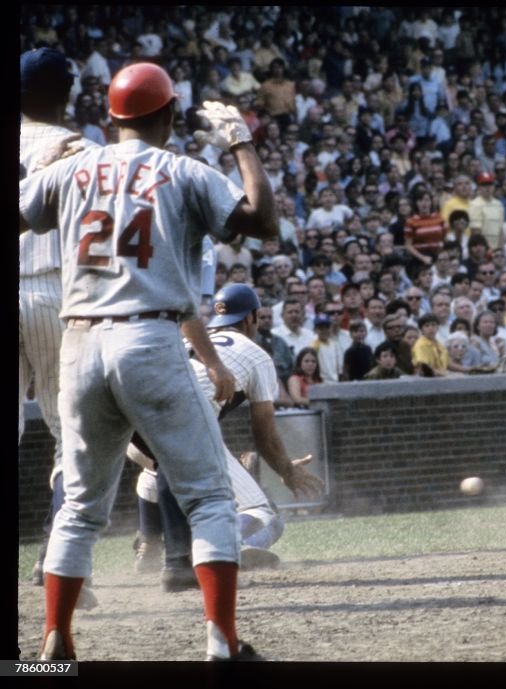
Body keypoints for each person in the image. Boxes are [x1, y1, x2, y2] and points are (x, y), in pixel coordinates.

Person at [20, 62, 278, 660]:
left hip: (79, 342)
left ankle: (52, 642)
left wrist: (40, 169)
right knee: (211, 498)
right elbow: (263, 223)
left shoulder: (71, 165)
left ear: (110, 119)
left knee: (82, 507)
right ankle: (223, 646)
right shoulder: (185, 170)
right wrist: (239, 140)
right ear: (166, 117)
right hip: (150, 337)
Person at [128, 285, 324, 590]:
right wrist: (285, 470)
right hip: (184, 423)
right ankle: (228, 546)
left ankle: (150, 543)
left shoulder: (190, 340)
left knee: (155, 472)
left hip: (135, 427)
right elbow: (265, 434)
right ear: (252, 318)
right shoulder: (255, 355)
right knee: (265, 514)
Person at [20, 48, 102, 604]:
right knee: (69, 436)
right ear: (67, 93)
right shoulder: (84, 148)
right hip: (54, 291)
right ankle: (63, 564)